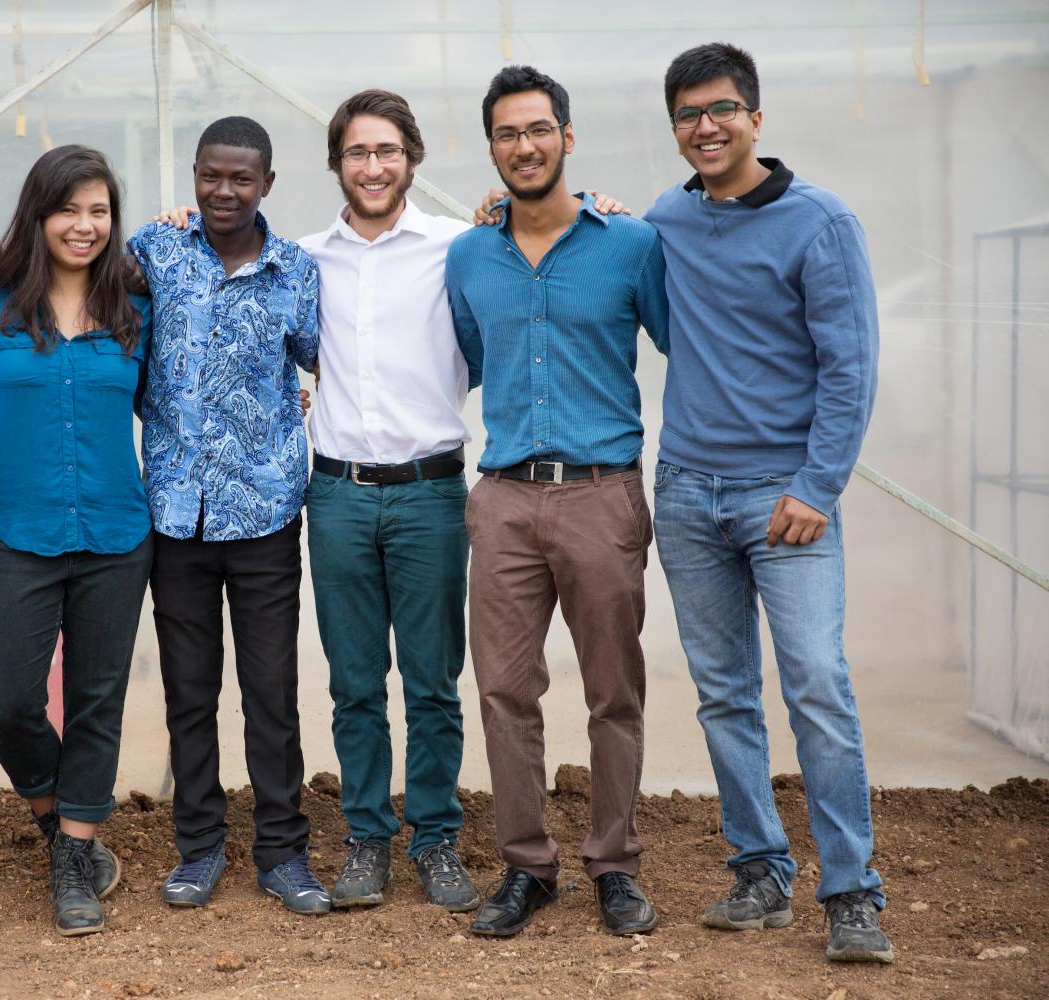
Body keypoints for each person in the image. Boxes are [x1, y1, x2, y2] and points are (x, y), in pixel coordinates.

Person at [645, 42, 889, 963]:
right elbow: (602, 241)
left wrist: (817, 487)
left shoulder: (820, 223)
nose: (705, 127)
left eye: (721, 110)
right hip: (685, 492)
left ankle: (853, 892)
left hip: (785, 499)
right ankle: (759, 872)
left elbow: (851, 368)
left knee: (818, 687)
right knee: (723, 695)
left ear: (756, 115)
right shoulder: (670, 217)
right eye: (687, 115)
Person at [446, 66, 669, 939]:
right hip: (502, 500)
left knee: (614, 690)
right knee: (504, 691)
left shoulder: (631, 245)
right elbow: (467, 354)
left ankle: (614, 864)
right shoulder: (468, 253)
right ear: (491, 147)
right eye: (506, 134)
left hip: (601, 497)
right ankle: (527, 868)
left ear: (567, 138)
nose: (523, 147)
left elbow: (678, 343)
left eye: (538, 130)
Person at [126, 116, 327, 915]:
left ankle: (282, 852)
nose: (223, 191)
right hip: (174, 514)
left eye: (241, 178)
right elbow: (71, 274)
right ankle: (200, 846)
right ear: (194, 174)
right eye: (211, 175)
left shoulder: (297, 271)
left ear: (268, 184)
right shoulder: (154, 249)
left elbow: (328, 361)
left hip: (267, 514)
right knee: (189, 692)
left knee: (272, 692)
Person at [297, 88, 478, 914]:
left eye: (387, 152)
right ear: (336, 163)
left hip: (430, 493)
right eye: (357, 153)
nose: (373, 167)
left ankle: (436, 837)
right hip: (335, 494)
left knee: (434, 680)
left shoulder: (459, 248)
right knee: (355, 681)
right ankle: (368, 838)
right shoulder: (301, 258)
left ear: (412, 159)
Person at [0, 145, 153, 937]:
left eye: (99, 211)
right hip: (16, 531)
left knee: (96, 702)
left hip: (116, 531)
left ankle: (76, 856)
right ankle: (54, 818)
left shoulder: (139, 309)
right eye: (69, 210)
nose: (85, 226)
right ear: (39, 215)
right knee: (7, 702)